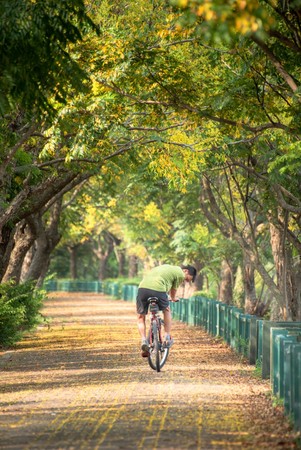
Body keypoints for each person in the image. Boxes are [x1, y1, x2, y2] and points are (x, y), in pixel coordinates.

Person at [136, 264, 197, 354]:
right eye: (186, 279)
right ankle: (167, 336)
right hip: (158, 289)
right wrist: (173, 298)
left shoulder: (164, 268)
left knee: (141, 317)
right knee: (166, 310)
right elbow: (173, 291)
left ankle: (144, 340)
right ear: (186, 271)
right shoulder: (180, 273)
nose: (184, 281)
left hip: (142, 289)